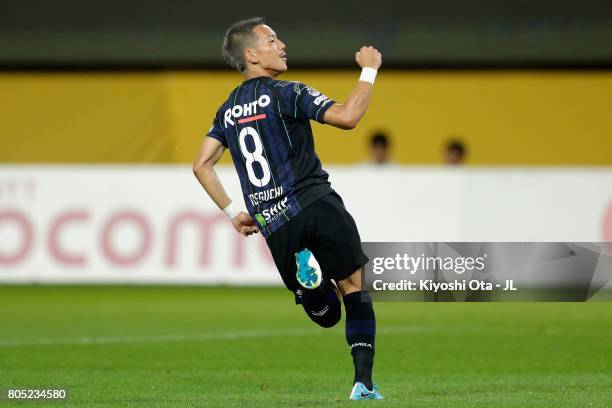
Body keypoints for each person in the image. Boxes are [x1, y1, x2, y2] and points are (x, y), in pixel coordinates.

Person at [192, 17, 383, 400]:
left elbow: (201, 165)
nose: (281, 45)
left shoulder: (226, 111)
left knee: (324, 315)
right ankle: (362, 383)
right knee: (353, 289)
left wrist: (233, 213)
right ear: (251, 54)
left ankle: (311, 286)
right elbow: (347, 117)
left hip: (275, 224)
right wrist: (369, 70)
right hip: (316, 202)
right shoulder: (287, 93)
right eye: (272, 40)